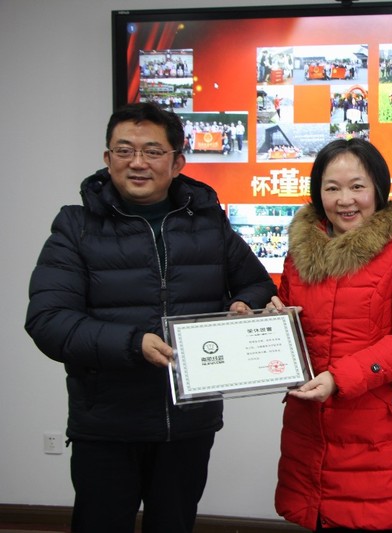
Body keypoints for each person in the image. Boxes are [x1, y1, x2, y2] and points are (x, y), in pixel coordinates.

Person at [25, 102, 278, 533]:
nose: (137, 162)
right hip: (106, 423)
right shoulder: (76, 227)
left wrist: (243, 305)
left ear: (177, 162)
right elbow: (49, 321)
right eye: (124, 150)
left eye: (153, 151)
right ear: (108, 159)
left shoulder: (208, 223)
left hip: (189, 423)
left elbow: (257, 285)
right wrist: (133, 343)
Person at [272, 138, 392, 532]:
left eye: (357, 186)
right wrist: (270, 321)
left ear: (378, 190)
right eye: (332, 188)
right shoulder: (300, 256)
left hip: (379, 437)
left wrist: (340, 378)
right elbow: (292, 327)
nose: (344, 200)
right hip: (309, 429)